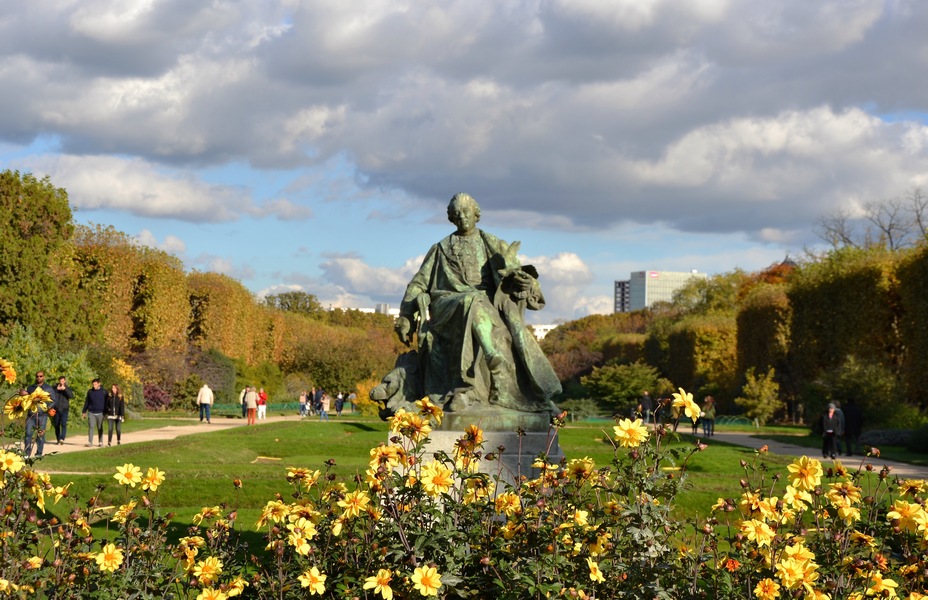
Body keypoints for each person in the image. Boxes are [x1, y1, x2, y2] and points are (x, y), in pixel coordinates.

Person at [393, 193, 561, 413]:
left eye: (466, 212)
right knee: (471, 300)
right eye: (457, 214)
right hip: (447, 305)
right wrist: (405, 316)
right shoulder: (440, 249)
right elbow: (417, 284)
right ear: (452, 218)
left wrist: (525, 282)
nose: (462, 217)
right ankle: (490, 358)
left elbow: (518, 279)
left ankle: (482, 377)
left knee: (476, 301)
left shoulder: (494, 245)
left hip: (487, 308)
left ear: (476, 214)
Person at [24, 371, 56, 457]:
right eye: (37, 376)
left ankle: (39, 453)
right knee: (28, 434)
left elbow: (53, 400)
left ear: (44, 377)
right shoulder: (31, 388)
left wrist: (48, 407)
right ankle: (27, 453)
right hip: (31, 415)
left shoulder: (49, 388)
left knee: (40, 435)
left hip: (42, 415)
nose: (39, 378)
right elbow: (26, 399)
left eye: (41, 376)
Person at [82, 378, 107, 447]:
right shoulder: (90, 392)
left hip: (100, 412)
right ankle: (90, 442)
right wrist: (84, 411)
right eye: (93, 385)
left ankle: (100, 442)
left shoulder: (104, 392)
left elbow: (107, 403)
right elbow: (87, 402)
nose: (94, 386)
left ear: (99, 384)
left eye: (95, 384)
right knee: (91, 427)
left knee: (100, 427)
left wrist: (106, 412)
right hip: (91, 412)